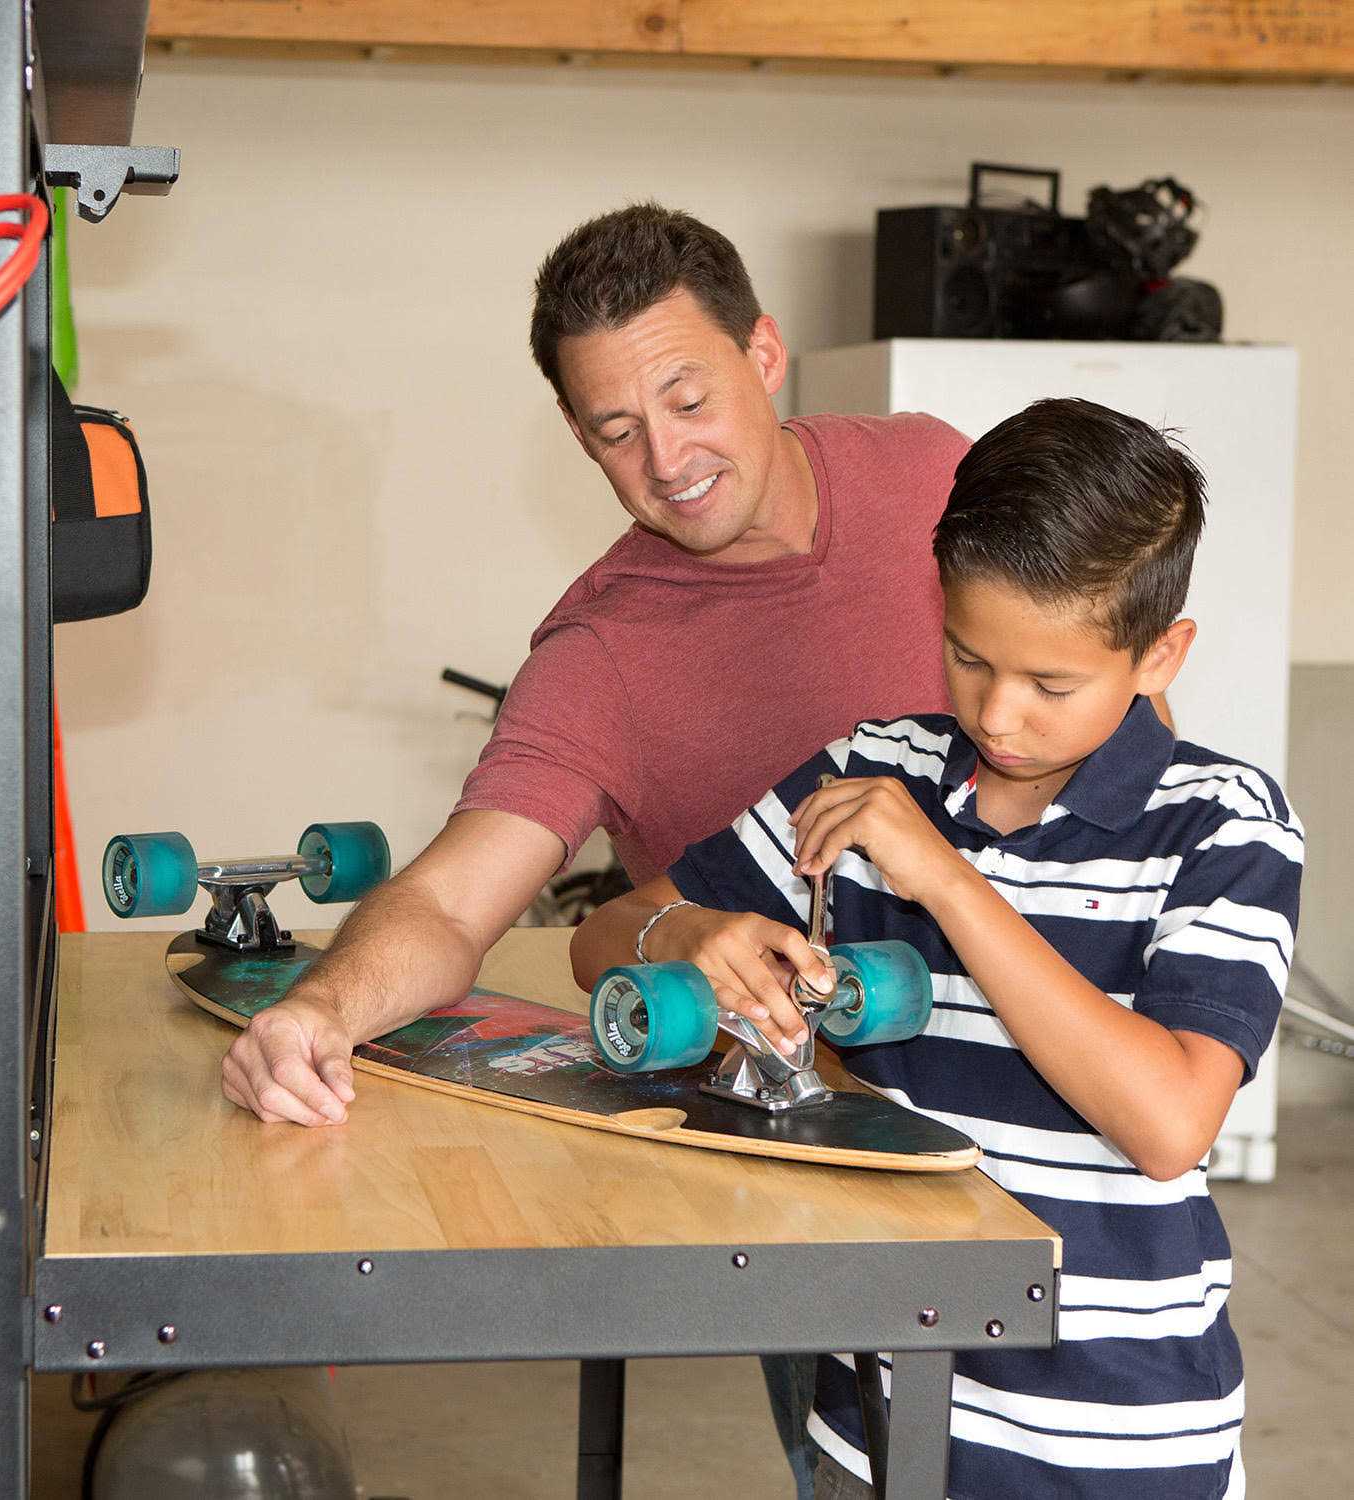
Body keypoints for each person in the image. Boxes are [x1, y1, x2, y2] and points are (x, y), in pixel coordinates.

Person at [219, 202, 968, 1495]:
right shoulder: (601, 653)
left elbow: (1120, 700)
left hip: (1069, 1077)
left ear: (767, 353)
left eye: (687, 397)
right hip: (848, 1159)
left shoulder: (938, 474)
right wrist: (319, 1011)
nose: (664, 455)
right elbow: (455, 904)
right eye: (614, 431)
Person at [571, 397, 1303, 1500]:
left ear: (1161, 654)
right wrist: (699, 932)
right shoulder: (875, 771)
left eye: (1052, 684)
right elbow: (599, 939)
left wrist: (951, 885)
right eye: (968, 657)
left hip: (1109, 1446)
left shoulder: (1222, 824)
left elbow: (1167, 1121)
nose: (999, 715)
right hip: (876, 1422)